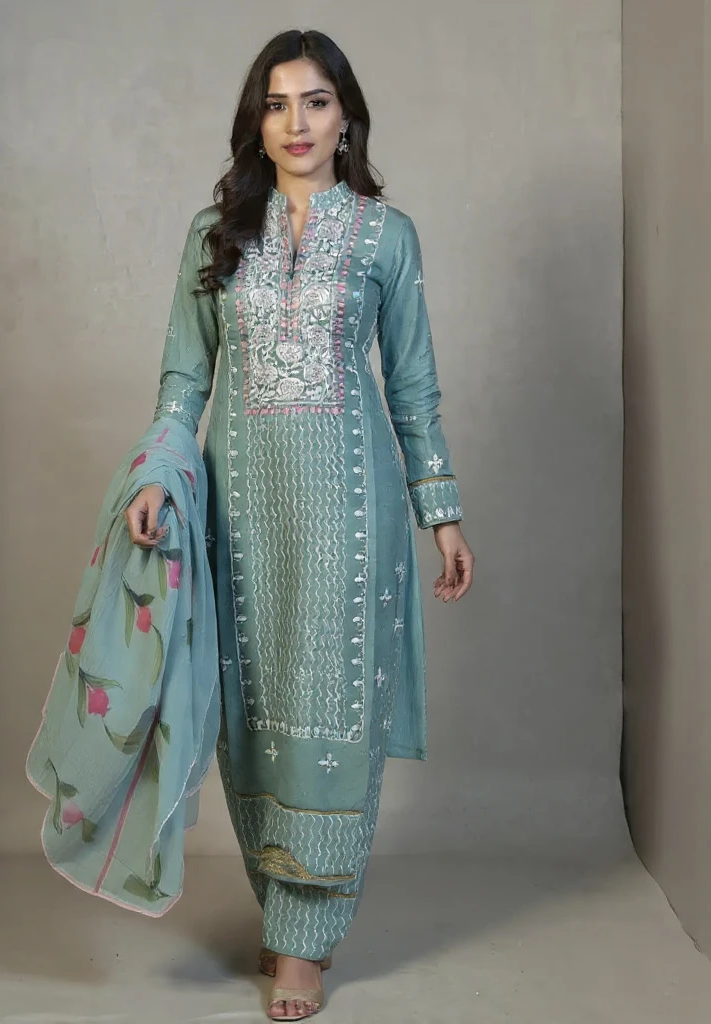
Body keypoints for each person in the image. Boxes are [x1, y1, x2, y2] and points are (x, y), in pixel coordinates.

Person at [124, 28, 474, 1021]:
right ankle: (278, 905)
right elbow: (183, 379)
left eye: (316, 101)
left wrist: (441, 513)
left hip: (351, 515)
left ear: (346, 116)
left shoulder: (386, 236)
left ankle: (304, 943)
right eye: (277, 104)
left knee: (331, 714)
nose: (297, 123)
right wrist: (155, 477)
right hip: (240, 513)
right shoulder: (216, 234)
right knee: (252, 716)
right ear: (257, 122)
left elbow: (413, 386)